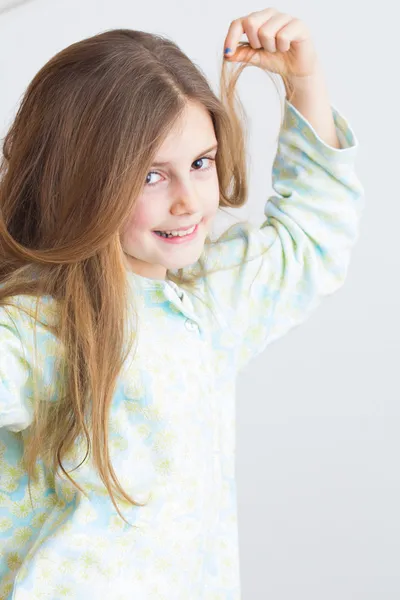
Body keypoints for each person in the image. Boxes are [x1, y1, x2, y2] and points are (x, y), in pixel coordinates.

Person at [0, 7, 364, 599]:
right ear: (82, 181)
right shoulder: (38, 326)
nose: (190, 201)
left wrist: (305, 80)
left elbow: (313, 240)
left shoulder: (207, 302)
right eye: (150, 176)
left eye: (200, 163)